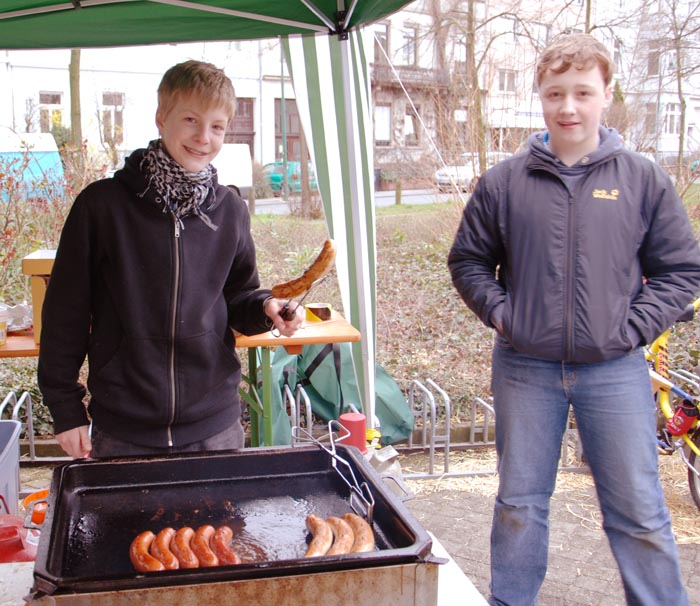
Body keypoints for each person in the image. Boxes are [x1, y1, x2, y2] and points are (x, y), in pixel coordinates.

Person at [448, 33, 700, 606]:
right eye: (555, 92)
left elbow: (681, 270)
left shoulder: (643, 180)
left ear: (606, 95)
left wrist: (631, 329)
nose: (568, 107)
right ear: (538, 96)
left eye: (583, 93)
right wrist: (504, 316)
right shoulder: (504, 183)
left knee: (638, 510)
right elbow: (467, 260)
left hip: (615, 370)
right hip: (524, 368)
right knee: (519, 505)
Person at [38, 60, 304, 460]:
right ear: (162, 118)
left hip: (215, 426)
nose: (203, 137)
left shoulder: (229, 208)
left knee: (216, 527)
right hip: (123, 429)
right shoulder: (102, 206)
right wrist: (65, 409)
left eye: (216, 126)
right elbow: (65, 314)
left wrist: (267, 307)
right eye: (191, 120)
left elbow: (238, 295)